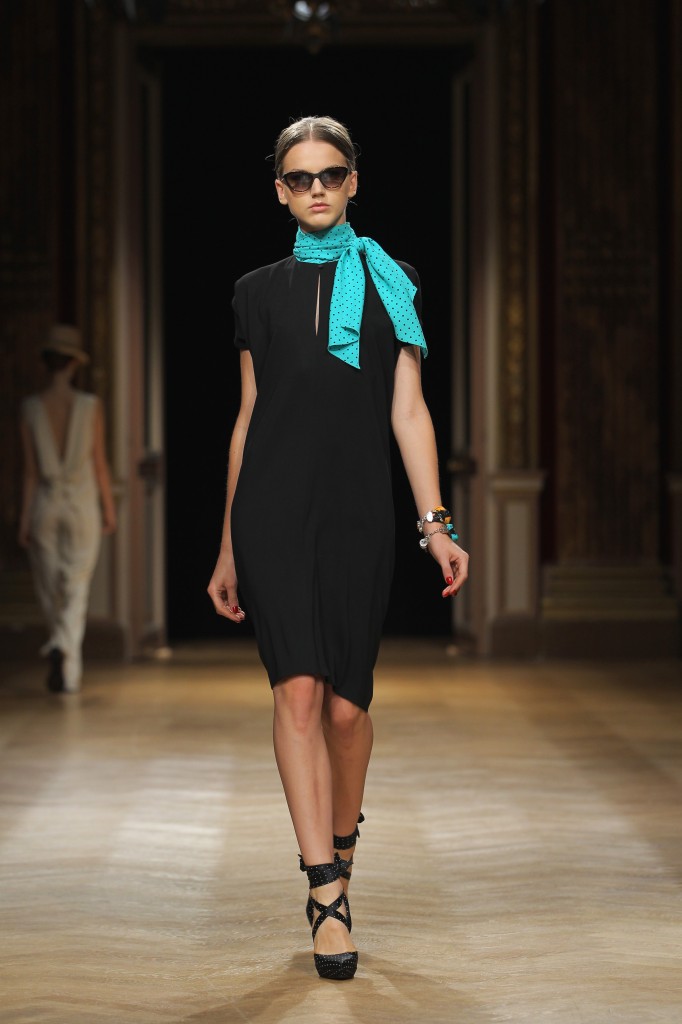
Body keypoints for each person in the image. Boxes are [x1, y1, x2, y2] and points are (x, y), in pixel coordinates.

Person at [207, 115, 469, 980]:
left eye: (330, 174)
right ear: (279, 191)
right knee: (298, 692)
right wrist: (228, 546)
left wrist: (435, 523)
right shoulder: (255, 291)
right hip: (273, 514)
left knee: (348, 711)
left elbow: (409, 411)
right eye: (299, 177)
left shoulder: (395, 281)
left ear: (353, 181)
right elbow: (249, 419)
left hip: (359, 515)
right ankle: (326, 895)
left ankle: (342, 853)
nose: (315, 188)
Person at [18, 324, 117, 694]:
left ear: (47, 363)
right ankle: (66, 657)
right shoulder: (90, 406)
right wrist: (109, 507)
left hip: (45, 505)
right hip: (81, 505)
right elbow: (99, 463)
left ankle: (59, 646)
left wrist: (24, 518)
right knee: (76, 586)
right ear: (75, 364)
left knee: (50, 589)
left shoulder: (30, 408)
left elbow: (30, 472)